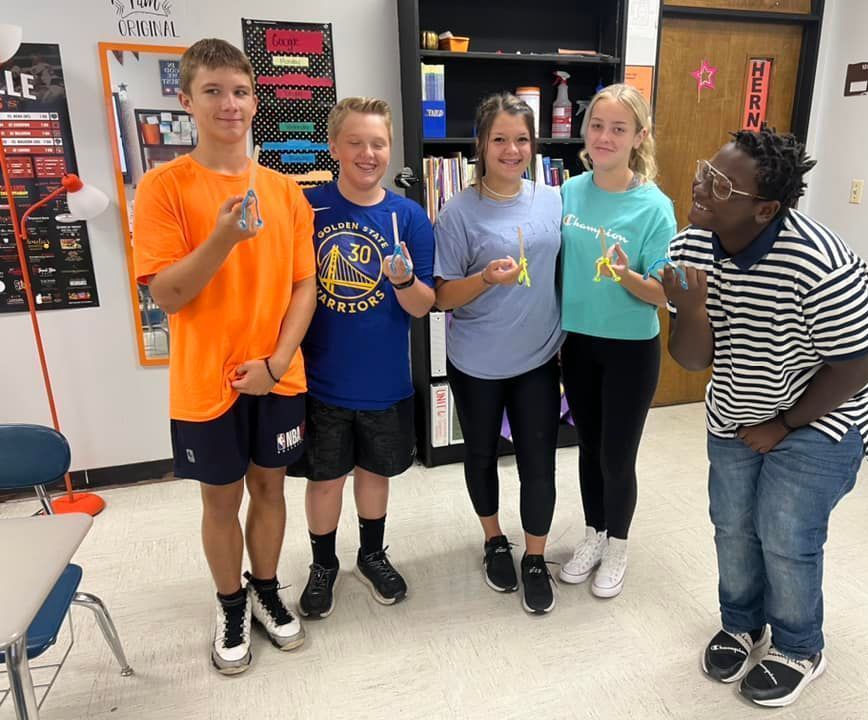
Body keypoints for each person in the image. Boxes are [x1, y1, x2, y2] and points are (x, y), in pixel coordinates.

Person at [663, 128, 868, 708]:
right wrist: (689, 309)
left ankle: (798, 646)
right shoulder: (694, 242)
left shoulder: (821, 264)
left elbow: (857, 365)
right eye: (703, 170)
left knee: (785, 529)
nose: (700, 186)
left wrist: (785, 424)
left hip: (825, 410)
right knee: (733, 521)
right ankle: (743, 623)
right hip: (740, 402)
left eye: (719, 184)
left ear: (764, 209)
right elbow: (694, 359)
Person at [133, 38, 316, 675]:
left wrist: (275, 362)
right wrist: (221, 237)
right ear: (186, 100)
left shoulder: (286, 191)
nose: (228, 104)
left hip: (278, 375)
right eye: (211, 91)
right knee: (221, 499)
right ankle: (230, 600)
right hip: (205, 382)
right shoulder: (163, 188)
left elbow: (304, 285)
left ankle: (265, 590)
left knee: (270, 487)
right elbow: (168, 293)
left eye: (239, 91)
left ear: (255, 100)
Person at [291, 98, 435, 617]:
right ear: (334, 147)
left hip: (385, 382)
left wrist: (402, 279)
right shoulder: (306, 209)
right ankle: (323, 564)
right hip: (321, 381)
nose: (367, 153)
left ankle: (371, 555)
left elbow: (425, 305)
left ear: (389, 148)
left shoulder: (409, 216)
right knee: (325, 479)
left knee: (375, 475)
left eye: (377, 143)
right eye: (355, 142)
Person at [434, 93, 563, 615]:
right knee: (481, 455)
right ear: (481, 146)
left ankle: (535, 556)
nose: (512, 149)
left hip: (537, 358)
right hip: (476, 364)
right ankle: (493, 540)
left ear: (535, 145)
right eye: (500, 139)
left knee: (539, 464)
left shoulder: (554, 199)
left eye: (523, 139)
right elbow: (441, 298)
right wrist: (485, 279)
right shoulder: (457, 212)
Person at [557, 84, 676, 598]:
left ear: (639, 137)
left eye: (618, 129)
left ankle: (619, 545)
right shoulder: (566, 192)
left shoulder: (655, 207)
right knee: (587, 447)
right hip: (578, 343)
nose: (604, 137)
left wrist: (627, 274)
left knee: (617, 455)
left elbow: (659, 295)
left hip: (630, 348)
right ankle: (593, 534)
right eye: (597, 126)